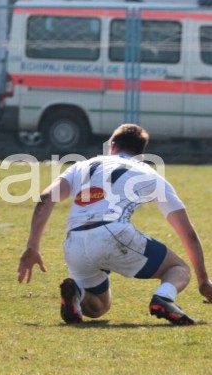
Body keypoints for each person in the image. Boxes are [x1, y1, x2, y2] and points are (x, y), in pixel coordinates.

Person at [17, 123, 212, 325]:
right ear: (141, 155)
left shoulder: (83, 166)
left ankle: (77, 294)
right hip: (112, 233)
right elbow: (187, 233)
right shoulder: (149, 173)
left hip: (73, 241)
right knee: (179, 268)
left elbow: (46, 198)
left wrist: (32, 247)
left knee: (99, 306)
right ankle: (163, 298)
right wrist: (203, 281)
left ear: (112, 145)